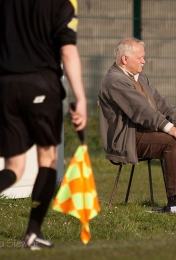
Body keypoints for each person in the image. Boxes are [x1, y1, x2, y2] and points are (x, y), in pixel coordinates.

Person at [0, 0, 87, 249]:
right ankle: (32, 234)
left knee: (14, 167)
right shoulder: (63, 2)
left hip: (6, 87)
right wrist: (80, 98)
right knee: (47, 158)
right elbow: (67, 51)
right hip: (41, 84)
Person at [98, 37, 176, 213]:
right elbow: (141, 111)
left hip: (149, 133)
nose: (144, 61)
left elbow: (162, 105)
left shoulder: (141, 78)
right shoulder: (114, 80)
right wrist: (170, 128)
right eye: (140, 57)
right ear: (125, 59)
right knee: (172, 142)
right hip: (128, 139)